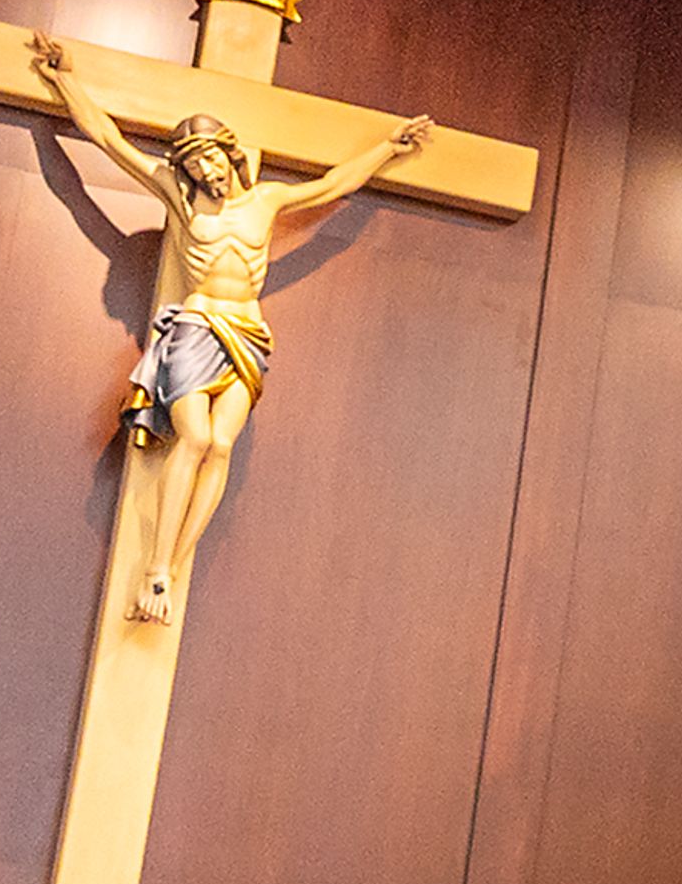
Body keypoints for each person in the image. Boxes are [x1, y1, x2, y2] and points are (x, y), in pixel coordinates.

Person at [30, 32, 429, 623]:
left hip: (247, 333)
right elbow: (108, 140)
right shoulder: (180, 199)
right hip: (195, 327)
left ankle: (171, 569)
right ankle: (155, 564)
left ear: (228, 154)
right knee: (190, 438)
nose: (205, 172)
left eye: (210, 159)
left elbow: (332, 187)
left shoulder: (265, 202)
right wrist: (65, 82)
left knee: (220, 445)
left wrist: (387, 150)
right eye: (193, 165)